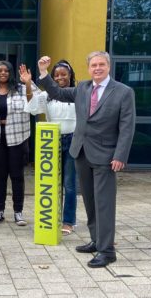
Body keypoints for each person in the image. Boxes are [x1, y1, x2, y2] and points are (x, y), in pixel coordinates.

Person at [36, 52, 135, 268]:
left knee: (104, 203)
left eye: (101, 64)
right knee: (90, 201)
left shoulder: (124, 92)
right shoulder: (83, 88)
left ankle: (107, 251)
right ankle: (96, 240)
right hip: (80, 152)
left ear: (108, 66)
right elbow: (57, 92)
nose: (97, 68)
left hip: (107, 157)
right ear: (88, 68)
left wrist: (120, 155)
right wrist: (43, 72)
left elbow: (127, 126)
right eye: (93, 65)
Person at [20, 60, 78, 235]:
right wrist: (29, 83)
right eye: (57, 75)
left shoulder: (79, 92)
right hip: (52, 141)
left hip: (74, 141)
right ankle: (52, 217)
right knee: (53, 184)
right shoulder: (47, 95)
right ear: (52, 78)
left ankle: (68, 221)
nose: (60, 77)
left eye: (63, 74)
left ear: (70, 76)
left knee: (69, 184)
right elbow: (32, 107)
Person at [0, 60, 38, 226]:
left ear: (11, 72)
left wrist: (28, 82)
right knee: (0, 178)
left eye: (6, 70)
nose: (3, 73)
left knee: (17, 177)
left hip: (18, 140)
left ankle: (18, 212)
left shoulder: (21, 88)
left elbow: (34, 103)